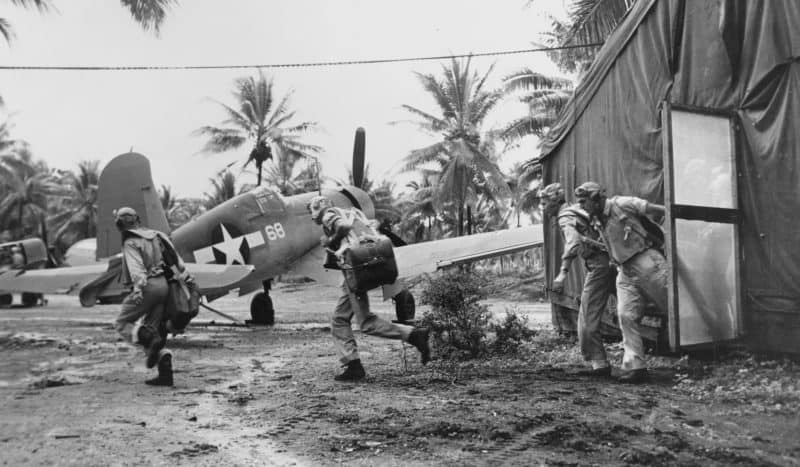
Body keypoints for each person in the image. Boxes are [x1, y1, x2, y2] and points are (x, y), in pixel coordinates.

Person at [308, 195, 430, 382]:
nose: (311, 216)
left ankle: (413, 335)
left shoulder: (329, 215)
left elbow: (342, 227)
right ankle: (353, 364)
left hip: (355, 271)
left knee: (365, 323)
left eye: (312, 210)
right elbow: (375, 226)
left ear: (322, 206)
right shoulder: (354, 212)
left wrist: (331, 240)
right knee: (339, 319)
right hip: (364, 268)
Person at [574, 182, 666, 384]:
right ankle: (636, 367)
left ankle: (713, 346)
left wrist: (668, 232)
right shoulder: (597, 219)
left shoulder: (622, 204)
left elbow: (659, 210)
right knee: (625, 315)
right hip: (624, 270)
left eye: (584, 201)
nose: (582, 205)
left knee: (673, 306)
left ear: (596, 198)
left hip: (647, 261)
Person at [539, 183, 615, 377]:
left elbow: (573, 242)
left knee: (587, 316)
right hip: (611, 262)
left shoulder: (565, 217)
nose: (542, 207)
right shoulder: (578, 209)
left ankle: (600, 364)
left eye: (544, 202)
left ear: (555, 202)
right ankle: (633, 362)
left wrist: (562, 273)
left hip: (599, 266)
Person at [113, 206, 192, 387]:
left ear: (120, 225)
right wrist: (188, 278)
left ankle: (150, 340)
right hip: (164, 286)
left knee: (121, 323)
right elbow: (177, 261)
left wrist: (139, 289)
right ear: (138, 220)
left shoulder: (131, 242)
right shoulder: (157, 236)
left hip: (148, 286)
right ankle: (165, 372)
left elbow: (136, 269)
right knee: (151, 328)